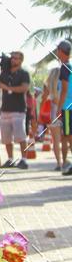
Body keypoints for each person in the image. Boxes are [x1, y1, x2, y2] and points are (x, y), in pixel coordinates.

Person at [0, 51, 31, 169]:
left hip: (18, 110)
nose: (13, 60)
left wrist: (7, 87)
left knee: (21, 136)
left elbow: (24, 88)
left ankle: (24, 159)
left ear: (21, 60)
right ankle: (10, 159)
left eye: (16, 58)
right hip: (5, 109)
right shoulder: (4, 74)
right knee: (6, 137)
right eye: (12, 58)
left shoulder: (24, 74)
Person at [55, 40, 72, 176]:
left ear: (61, 51)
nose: (56, 52)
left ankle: (66, 163)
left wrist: (59, 108)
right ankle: (66, 163)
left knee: (67, 136)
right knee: (66, 136)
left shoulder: (65, 67)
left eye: (57, 50)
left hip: (67, 107)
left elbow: (64, 90)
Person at [44, 61, 65, 170]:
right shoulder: (63, 86)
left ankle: (58, 163)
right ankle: (65, 161)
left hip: (53, 116)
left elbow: (45, 99)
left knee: (56, 141)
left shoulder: (50, 87)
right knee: (67, 139)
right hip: (64, 113)